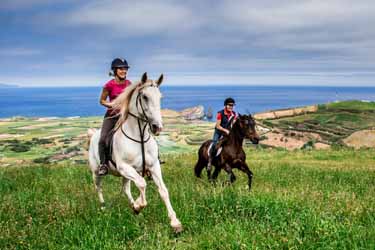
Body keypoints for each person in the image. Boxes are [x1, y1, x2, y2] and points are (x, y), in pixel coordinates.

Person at [98, 58, 131, 176]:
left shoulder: (129, 84)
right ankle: (103, 164)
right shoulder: (109, 85)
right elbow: (101, 101)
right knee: (103, 139)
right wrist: (111, 104)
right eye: (121, 68)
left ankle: (152, 160)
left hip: (126, 116)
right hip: (112, 116)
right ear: (115, 70)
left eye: (125, 68)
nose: (124, 71)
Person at [208, 97, 238, 166]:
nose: (231, 107)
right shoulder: (220, 114)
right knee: (215, 143)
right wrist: (225, 130)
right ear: (225, 105)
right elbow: (218, 126)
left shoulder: (234, 114)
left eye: (232, 105)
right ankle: (210, 160)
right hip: (219, 132)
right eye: (229, 105)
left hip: (227, 133)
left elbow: (233, 123)